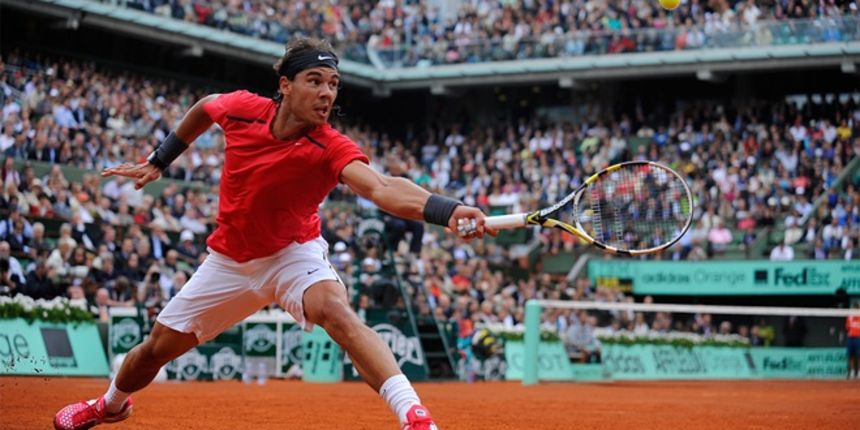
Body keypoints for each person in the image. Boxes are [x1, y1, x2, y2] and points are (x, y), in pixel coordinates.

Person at [53, 37, 494, 430]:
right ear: (285, 85)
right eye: (315, 80)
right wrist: (160, 159)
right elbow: (205, 106)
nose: (326, 92)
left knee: (337, 312)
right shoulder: (242, 110)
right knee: (153, 351)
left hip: (292, 254)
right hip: (229, 261)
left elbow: (380, 187)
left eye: (334, 84)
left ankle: (414, 416)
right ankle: (109, 405)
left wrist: (447, 209)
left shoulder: (330, 146)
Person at [847, 302, 860, 380]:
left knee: (859, 356)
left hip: (859, 338)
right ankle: (852, 372)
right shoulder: (850, 317)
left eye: (857, 308)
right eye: (854, 308)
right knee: (850, 356)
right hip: (851, 338)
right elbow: (847, 328)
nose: (855, 310)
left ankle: (859, 373)